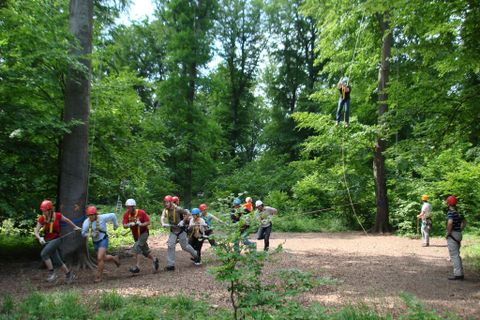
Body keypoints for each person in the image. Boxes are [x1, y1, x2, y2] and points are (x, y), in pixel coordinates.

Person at [34, 199, 81, 283]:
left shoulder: (57, 215)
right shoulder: (42, 218)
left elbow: (67, 220)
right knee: (57, 260)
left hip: (56, 239)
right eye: (43, 211)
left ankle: (52, 274)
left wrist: (75, 227)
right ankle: (69, 275)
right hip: (48, 240)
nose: (44, 212)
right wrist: (39, 238)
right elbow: (36, 231)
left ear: (50, 210)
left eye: (45, 211)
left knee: (44, 254)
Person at [81, 205, 120, 282]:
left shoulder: (102, 218)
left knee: (99, 258)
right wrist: (91, 234)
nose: (91, 217)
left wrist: (115, 225)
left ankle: (98, 277)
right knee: (103, 258)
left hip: (103, 239)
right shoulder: (86, 222)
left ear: (96, 214)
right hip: (95, 241)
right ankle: (114, 258)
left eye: (92, 215)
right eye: (89, 215)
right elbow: (83, 233)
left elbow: (113, 215)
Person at [161, 195, 198, 271]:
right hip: (173, 231)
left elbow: (188, 213)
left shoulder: (178, 209)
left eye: (167, 202)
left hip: (181, 230)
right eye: (165, 202)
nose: (166, 204)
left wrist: (183, 221)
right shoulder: (166, 210)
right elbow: (162, 217)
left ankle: (195, 254)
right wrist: (163, 223)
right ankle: (170, 265)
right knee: (170, 246)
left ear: (171, 202)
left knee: (185, 247)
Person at [122, 198, 159, 274]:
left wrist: (141, 224)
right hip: (136, 235)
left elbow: (148, 222)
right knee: (145, 252)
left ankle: (137, 267)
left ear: (133, 206)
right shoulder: (126, 214)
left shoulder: (141, 212)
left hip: (144, 233)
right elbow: (124, 225)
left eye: (129, 207)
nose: (128, 209)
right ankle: (154, 259)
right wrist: (129, 224)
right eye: (127, 207)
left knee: (137, 247)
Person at [445, 195, 466, 280]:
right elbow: (464, 222)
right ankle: (460, 272)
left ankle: (458, 275)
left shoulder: (450, 212)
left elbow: (450, 223)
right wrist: (460, 229)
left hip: (453, 235)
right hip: (458, 234)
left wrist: (448, 233)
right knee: (457, 254)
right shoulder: (458, 212)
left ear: (448, 203)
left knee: (454, 255)